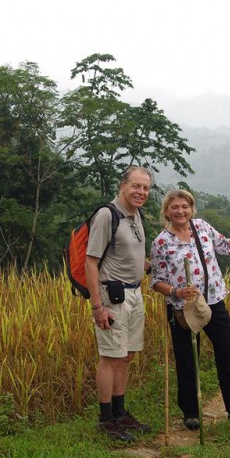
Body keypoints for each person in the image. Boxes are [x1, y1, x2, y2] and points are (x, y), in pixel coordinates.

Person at [150, 190, 230, 432]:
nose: (180, 211)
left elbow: (229, 249)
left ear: (192, 209)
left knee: (229, 352)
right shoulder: (161, 242)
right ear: (166, 212)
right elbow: (156, 280)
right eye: (174, 207)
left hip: (213, 301)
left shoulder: (202, 228)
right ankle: (191, 412)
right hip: (181, 307)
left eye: (184, 206)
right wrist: (175, 292)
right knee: (187, 359)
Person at [86, 166, 153, 442]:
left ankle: (120, 412)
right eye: (136, 186)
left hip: (135, 293)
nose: (141, 192)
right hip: (112, 297)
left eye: (146, 188)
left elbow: (137, 258)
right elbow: (91, 262)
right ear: (122, 185)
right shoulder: (107, 215)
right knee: (110, 357)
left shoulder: (135, 216)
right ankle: (105, 419)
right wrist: (97, 306)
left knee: (126, 356)